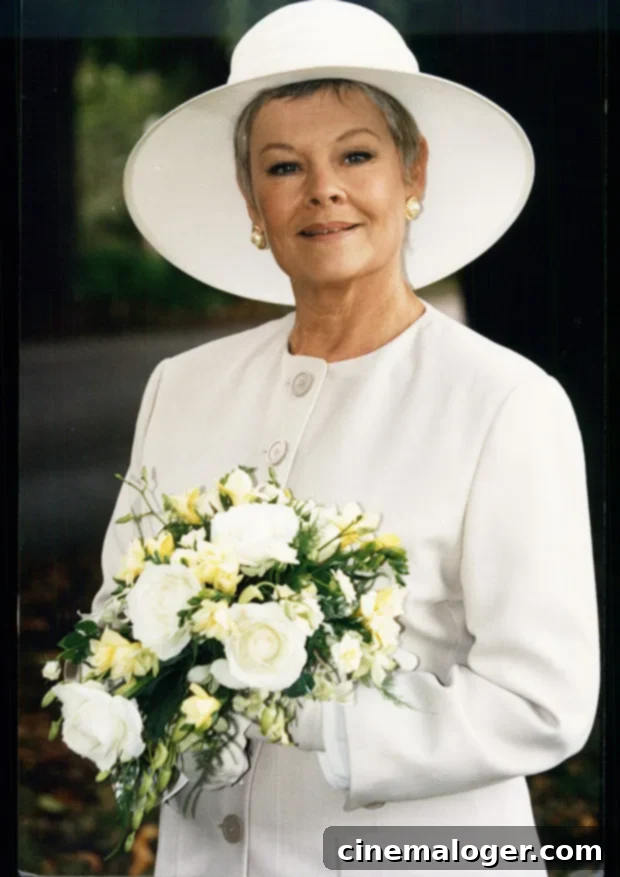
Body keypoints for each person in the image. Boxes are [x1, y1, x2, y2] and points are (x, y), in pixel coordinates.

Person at [89, 2, 600, 875]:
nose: (322, 189)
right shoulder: (182, 386)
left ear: (413, 171)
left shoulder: (506, 400)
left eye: (356, 155)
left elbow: (541, 699)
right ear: (252, 199)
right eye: (284, 166)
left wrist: (312, 714)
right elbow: (117, 624)